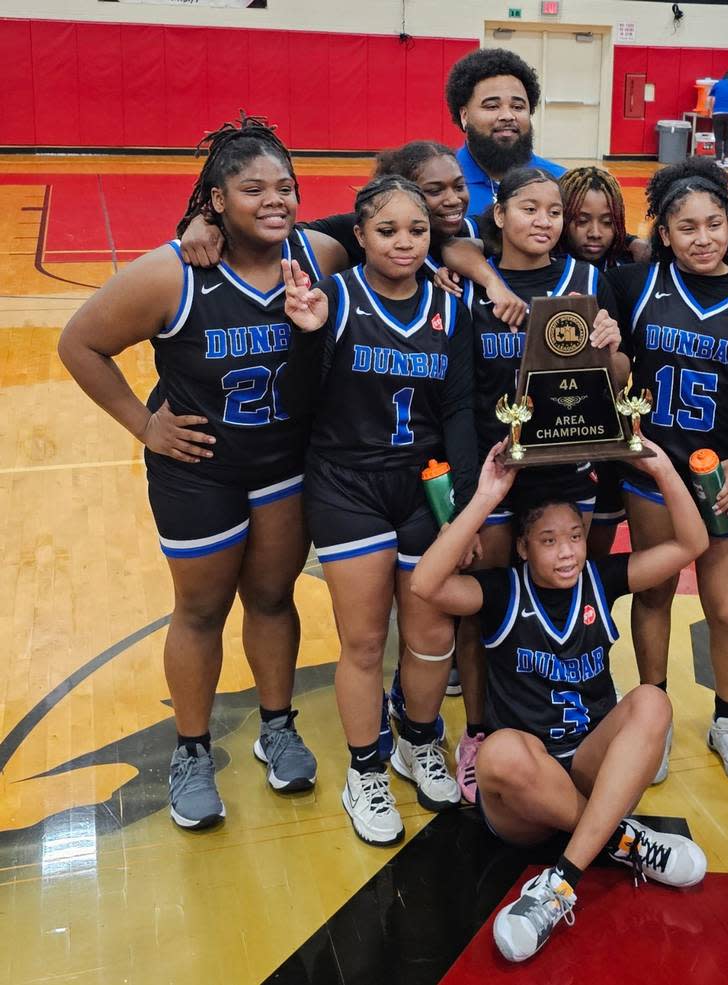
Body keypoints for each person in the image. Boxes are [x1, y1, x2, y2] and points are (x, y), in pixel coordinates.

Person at [57, 117, 348, 829]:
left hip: (283, 462)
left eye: (285, 186)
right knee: (200, 610)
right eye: (252, 188)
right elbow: (79, 343)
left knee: (274, 598)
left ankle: (276, 727)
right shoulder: (174, 271)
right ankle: (192, 750)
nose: (274, 199)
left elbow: (400, 221)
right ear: (216, 200)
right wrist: (144, 424)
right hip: (199, 470)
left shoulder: (322, 253)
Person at [409, 437, 709, 963]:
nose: (568, 550)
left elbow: (691, 544)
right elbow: (425, 585)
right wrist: (483, 498)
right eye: (548, 541)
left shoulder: (601, 579)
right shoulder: (502, 591)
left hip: (591, 769)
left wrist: (661, 468)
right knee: (498, 752)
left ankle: (561, 881)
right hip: (525, 795)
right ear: (523, 548)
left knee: (652, 702)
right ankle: (623, 842)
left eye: (575, 536)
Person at [277, 175, 479, 845]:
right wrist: (306, 336)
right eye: (386, 230)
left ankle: (417, 741)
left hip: (424, 486)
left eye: (416, 230)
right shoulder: (331, 297)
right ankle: (364, 767)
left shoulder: (450, 308)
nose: (403, 241)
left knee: (431, 637)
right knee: (364, 641)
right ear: (357, 235)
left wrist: (466, 508)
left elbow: (456, 409)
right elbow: (303, 397)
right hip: (347, 485)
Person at [451, 166, 626, 805]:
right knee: (488, 611)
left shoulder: (587, 280)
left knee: (569, 601)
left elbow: (619, 376)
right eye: (529, 208)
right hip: (498, 476)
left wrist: (610, 347)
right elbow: (462, 394)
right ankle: (479, 732)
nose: (545, 221)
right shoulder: (468, 284)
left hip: (567, 473)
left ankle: (578, 720)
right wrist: (471, 492)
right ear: (498, 216)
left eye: (554, 211)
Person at [606, 157, 728, 788]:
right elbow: (611, 371)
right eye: (688, 227)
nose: (704, 238)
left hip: (725, 475)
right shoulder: (633, 283)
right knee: (654, 595)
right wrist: (606, 349)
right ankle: (656, 716)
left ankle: (727, 721)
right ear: (664, 234)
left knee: (727, 610)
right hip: (653, 470)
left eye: (715, 224)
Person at [176, 141, 526, 328]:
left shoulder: (468, 227)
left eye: (459, 185)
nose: (453, 200)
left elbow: (460, 244)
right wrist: (205, 219)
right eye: (434, 190)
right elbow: (283, 229)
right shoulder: (356, 229)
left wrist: (491, 281)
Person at [558, 166, 641, 557]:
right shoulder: (543, 264)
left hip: (608, 426)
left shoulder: (627, 269)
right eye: (582, 220)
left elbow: (623, 365)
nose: (595, 232)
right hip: (552, 428)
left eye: (607, 222)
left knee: (597, 544)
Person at [444, 47, 567, 217]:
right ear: (464, 116)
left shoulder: (561, 181)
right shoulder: (439, 185)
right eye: (492, 106)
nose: (508, 116)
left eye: (518, 107)